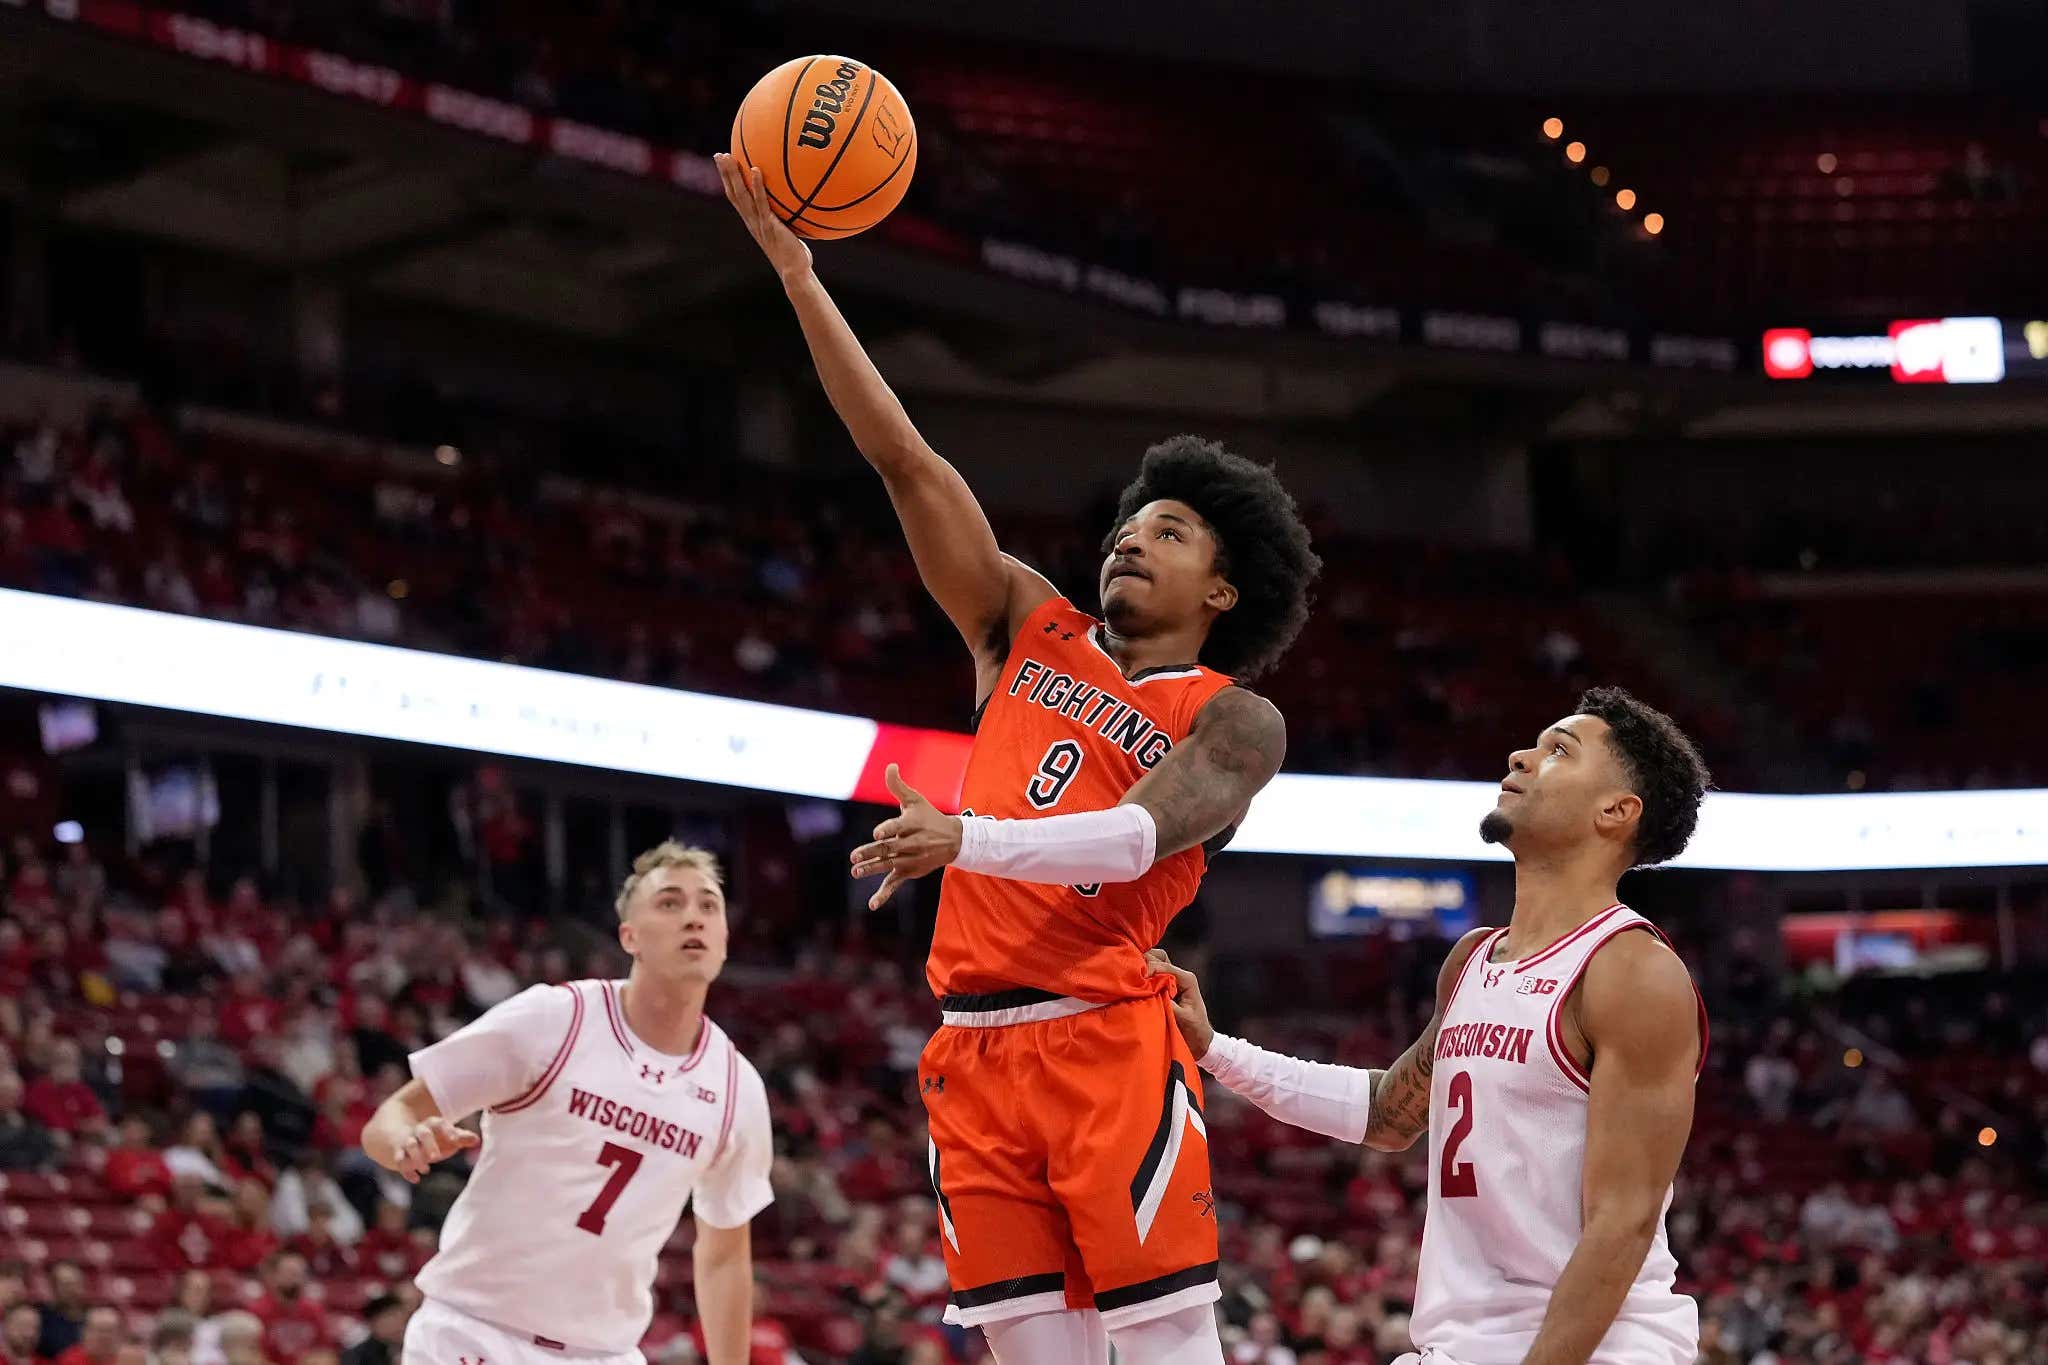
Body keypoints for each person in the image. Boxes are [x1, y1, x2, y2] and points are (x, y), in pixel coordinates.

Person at [714, 152, 1319, 1365]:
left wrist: (966, 839)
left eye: (1169, 531)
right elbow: (905, 461)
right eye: (1128, 523)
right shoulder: (1020, 623)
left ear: (1223, 591)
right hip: (970, 1053)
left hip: (1104, 1041)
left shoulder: (1233, 719)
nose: (1130, 539)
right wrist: (798, 278)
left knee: (1164, 1349)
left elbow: (1136, 839)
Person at [1152, 688, 1711, 1365]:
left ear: (1616, 811)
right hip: (1465, 1343)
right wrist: (1215, 1049)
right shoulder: (1472, 958)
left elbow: (1623, 1222)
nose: (1521, 756)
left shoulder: (1632, 971)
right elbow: (1388, 1113)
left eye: (1560, 751)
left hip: (1599, 1348)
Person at [359, 843, 773, 1365]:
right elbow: (388, 1119)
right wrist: (404, 1141)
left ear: (725, 939)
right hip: (474, 1333)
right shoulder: (554, 1020)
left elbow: (724, 1255)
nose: (694, 917)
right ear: (630, 936)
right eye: (670, 903)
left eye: (708, 906)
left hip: (605, 1353)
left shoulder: (736, 1087)